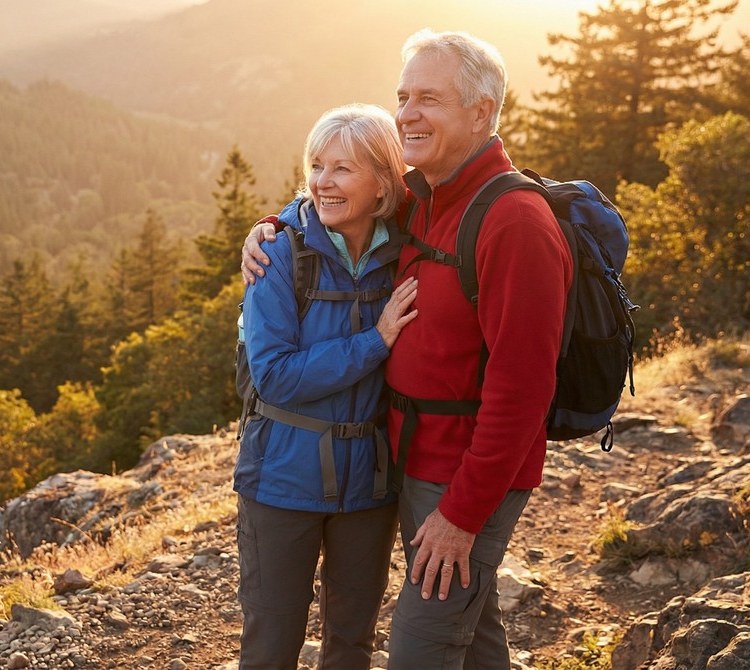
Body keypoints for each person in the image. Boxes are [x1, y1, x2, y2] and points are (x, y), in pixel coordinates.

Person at [241, 30, 573, 669]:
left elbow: (524, 390)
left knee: (419, 650)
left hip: (464, 476)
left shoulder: (514, 222)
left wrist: (462, 514)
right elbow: (339, 192)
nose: (408, 113)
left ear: (481, 113)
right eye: (403, 97)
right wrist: (273, 228)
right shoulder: (427, 198)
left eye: (430, 98)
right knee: (472, 637)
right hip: (412, 466)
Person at [235, 102, 417, 669]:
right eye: (317, 164)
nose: (323, 181)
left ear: (383, 181)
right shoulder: (279, 252)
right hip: (281, 481)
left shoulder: (408, 247)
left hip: (368, 483)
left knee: (352, 642)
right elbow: (274, 376)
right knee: (271, 645)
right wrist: (375, 340)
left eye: (343, 168)